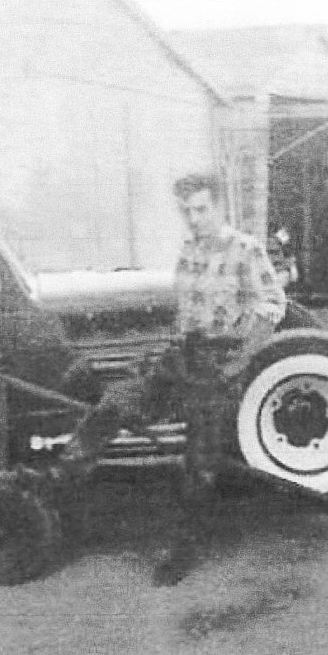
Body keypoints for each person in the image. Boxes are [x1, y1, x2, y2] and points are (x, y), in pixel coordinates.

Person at [37, 172, 288, 585]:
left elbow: (272, 307)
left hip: (219, 361)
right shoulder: (188, 250)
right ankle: (62, 478)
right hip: (181, 355)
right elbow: (184, 311)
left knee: (199, 461)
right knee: (115, 402)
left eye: (202, 209)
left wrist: (235, 364)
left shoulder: (246, 250)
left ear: (221, 208)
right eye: (186, 211)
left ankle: (185, 549)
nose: (193, 218)